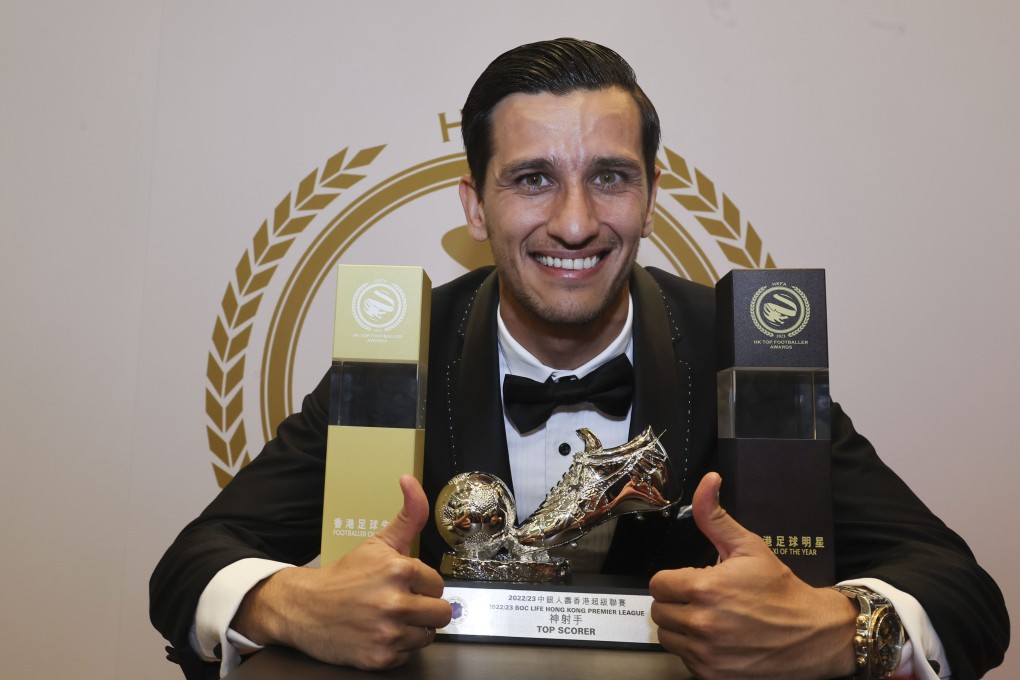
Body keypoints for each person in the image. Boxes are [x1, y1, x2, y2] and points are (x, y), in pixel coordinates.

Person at [150, 38, 1009, 680]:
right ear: (474, 205)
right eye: (531, 179)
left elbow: (964, 596)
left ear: (650, 194)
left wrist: (838, 629)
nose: (573, 221)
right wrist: (290, 602)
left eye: (609, 176)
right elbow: (192, 564)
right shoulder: (401, 351)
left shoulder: (737, 351)